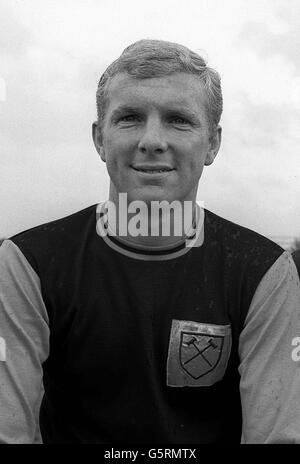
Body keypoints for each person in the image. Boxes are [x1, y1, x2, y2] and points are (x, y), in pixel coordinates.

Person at [1, 39, 300, 444]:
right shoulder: (26, 265)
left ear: (212, 143)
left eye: (178, 120)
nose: (152, 140)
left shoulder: (266, 273)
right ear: (99, 139)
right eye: (129, 118)